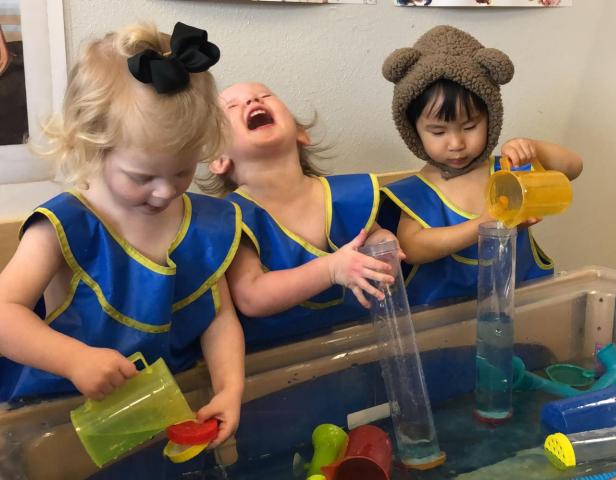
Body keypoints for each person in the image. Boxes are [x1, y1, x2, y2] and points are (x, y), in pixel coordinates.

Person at [0, 22, 244, 447]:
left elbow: (218, 317)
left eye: (184, 171)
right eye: (143, 175)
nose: (166, 191)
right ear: (89, 145)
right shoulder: (65, 226)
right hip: (57, 423)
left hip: (163, 411)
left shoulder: (201, 225)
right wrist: (75, 359)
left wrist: (229, 389)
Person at [379, 25, 582, 307]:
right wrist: (483, 225)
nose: (456, 143)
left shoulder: (510, 170)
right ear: (413, 131)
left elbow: (573, 167)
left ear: (491, 119)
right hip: (443, 328)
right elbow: (412, 247)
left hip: (523, 312)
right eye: (438, 132)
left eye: (470, 126)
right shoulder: (415, 192)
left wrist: (535, 149)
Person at [206, 82, 398, 350]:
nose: (252, 102)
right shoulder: (234, 217)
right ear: (219, 159)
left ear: (301, 133)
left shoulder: (343, 195)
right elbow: (251, 296)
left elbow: (373, 234)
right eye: (233, 107)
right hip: (280, 361)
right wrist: (332, 269)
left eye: (264, 96)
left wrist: (383, 245)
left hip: (361, 341)